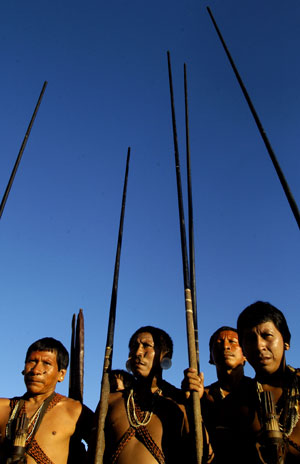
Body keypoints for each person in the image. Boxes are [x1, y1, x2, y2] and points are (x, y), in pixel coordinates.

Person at [101, 326, 198, 464]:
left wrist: (192, 406)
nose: (138, 352)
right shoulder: (110, 401)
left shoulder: (179, 401)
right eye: (134, 346)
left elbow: (204, 456)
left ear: (165, 356)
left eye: (146, 346)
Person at [0, 337, 93, 464]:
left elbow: (105, 448)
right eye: (32, 361)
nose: (36, 371)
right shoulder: (3, 408)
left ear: (61, 374)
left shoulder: (75, 411)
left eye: (46, 363)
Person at [237, 301, 300, 463]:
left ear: (286, 341)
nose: (259, 346)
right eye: (250, 339)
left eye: (267, 336)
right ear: (243, 350)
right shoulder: (236, 403)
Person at [182, 326, 252, 463]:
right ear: (211, 357)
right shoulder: (201, 395)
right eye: (219, 343)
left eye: (232, 342)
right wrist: (191, 403)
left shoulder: (258, 391)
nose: (225, 346)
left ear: (246, 355)